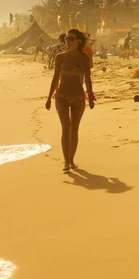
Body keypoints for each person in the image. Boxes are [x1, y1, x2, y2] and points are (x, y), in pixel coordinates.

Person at [45, 29, 94, 172]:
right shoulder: (60, 57)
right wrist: (48, 97)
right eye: (66, 38)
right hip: (62, 97)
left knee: (75, 129)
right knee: (66, 128)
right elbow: (55, 78)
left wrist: (90, 96)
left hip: (79, 96)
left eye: (70, 38)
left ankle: (72, 160)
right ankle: (66, 161)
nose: (67, 41)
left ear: (78, 41)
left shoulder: (84, 58)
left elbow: (88, 79)